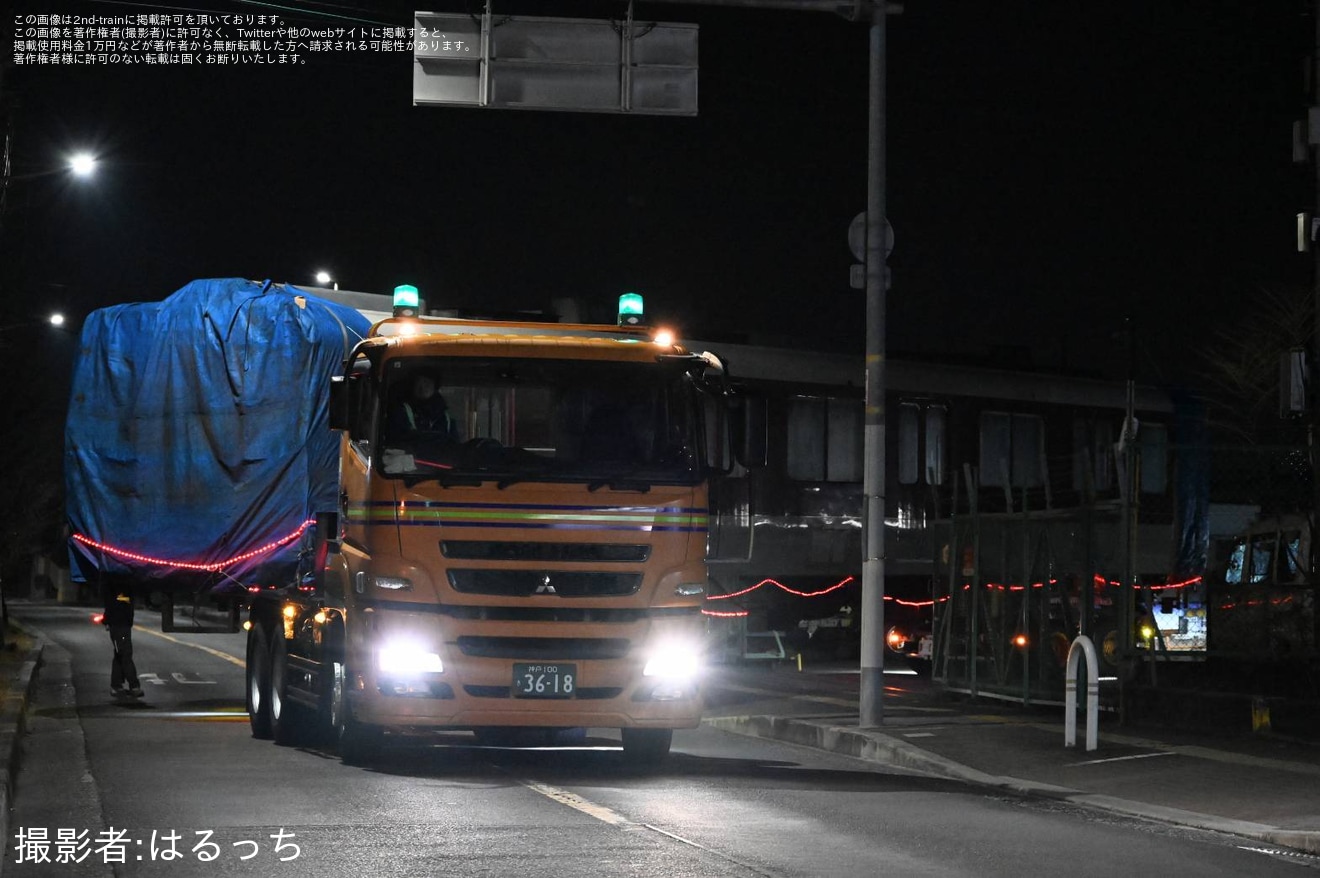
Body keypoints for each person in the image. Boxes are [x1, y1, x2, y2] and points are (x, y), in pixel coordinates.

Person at [387, 371, 458, 440]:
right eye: (418, 382)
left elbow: (454, 445)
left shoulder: (445, 418)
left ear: (435, 387)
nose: (422, 387)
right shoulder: (401, 411)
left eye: (426, 382)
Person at [102, 582, 142, 698]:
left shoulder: (112, 581)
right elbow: (117, 600)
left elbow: (112, 600)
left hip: (120, 625)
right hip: (120, 625)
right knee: (125, 653)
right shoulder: (118, 585)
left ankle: (116, 685)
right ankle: (134, 686)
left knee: (120, 654)